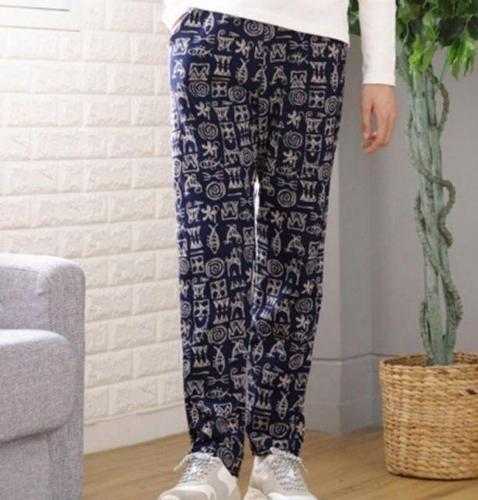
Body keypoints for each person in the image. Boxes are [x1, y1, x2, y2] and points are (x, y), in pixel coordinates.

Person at [160, 1, 397, 498]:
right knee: (211, 251)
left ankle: (277, 454)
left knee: (296, 255)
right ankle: (212, 454)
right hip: (214, 28)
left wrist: (380, 71)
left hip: (314, 45)